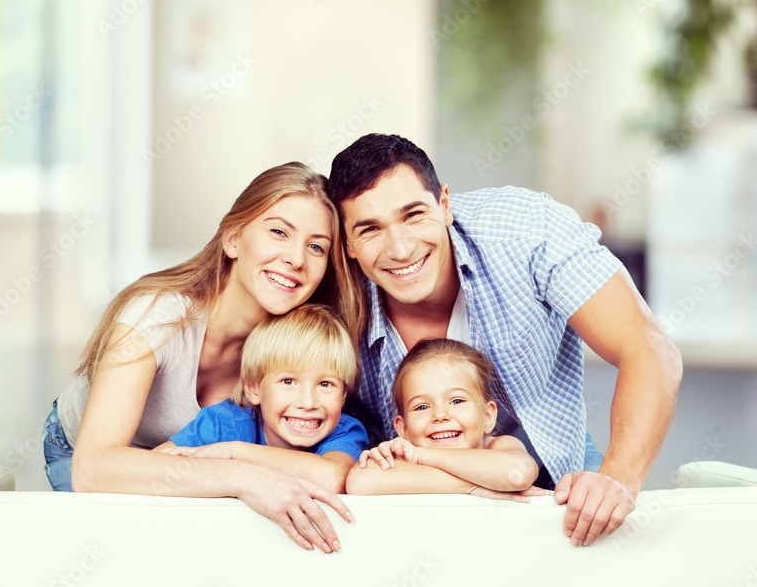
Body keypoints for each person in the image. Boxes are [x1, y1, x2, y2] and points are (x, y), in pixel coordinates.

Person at [328, 133, 682, 547]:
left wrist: (618, 478)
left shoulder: (524, 230)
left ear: (444, 204)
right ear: (348, 243)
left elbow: (647, 348)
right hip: (416, 497)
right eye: (370, 229)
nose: (401, 248)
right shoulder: (333, 294)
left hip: (557, 474)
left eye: (413, 215)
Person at [42, 161, 364, 553]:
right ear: (232, 239)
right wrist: (242, 475)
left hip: (195, 458)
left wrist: (236, 469)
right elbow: (93, 470)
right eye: (279, 232)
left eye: (316, 246)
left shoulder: (295, 343)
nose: (297, 258)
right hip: (85, 452)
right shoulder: (158, 315)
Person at [153, 304, 370, 493]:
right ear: (253, 388)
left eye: (325, 384)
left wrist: (231, 452)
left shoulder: (344, 431)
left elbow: (332, 478)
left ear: (343, 395)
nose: (308, 403)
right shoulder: (223, 422)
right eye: (288, 382)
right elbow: (152, 467)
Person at [346, 338, 539, 497]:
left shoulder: (498, 446)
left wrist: (420, 456)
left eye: (456, 401)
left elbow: (517, 474)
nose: (440, 415)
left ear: (487, 416)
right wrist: (473, 487)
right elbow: (360, 482)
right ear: (403, 429)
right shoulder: (403, 456)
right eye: (422, 406)